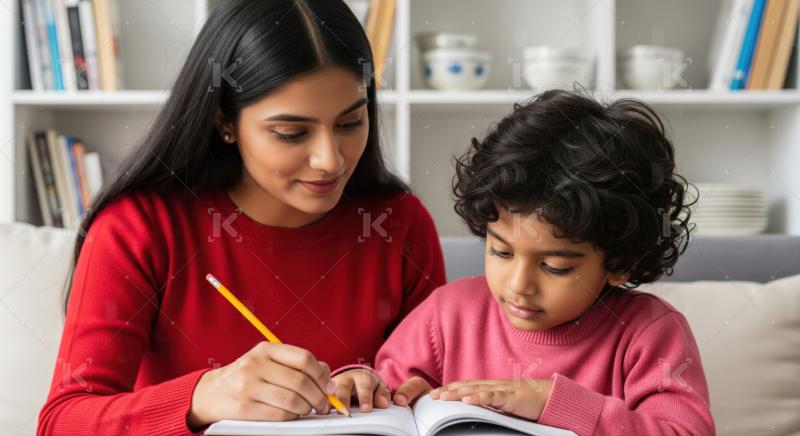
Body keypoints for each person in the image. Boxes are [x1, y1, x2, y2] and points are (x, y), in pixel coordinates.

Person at [37, 1, 445, 434]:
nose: (329, 160)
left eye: (350, 122)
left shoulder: (398, 224)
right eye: (292, 133)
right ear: (224, 121)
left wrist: (394, 391)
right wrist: (204, 396)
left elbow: (438, 389)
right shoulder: (139, 227)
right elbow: (62, 421)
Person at [347, 90, 715, 435]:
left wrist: (549, 402)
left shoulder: (649, 334)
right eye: (501, 252)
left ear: (621, 262)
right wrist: (361, 387)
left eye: (555, 266)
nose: (518, 285)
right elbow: (386, 394)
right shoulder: (448, 314)